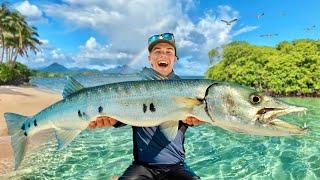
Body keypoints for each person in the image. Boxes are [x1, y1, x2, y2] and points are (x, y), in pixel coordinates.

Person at [89, 33, 205, 180]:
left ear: (175, 59)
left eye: (169, 52)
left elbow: (202, 114)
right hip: (142, 166)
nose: (163, 55)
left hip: (176, 166)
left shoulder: (189, 92)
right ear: (150, 59)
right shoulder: (134, 92)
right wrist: (110, 120)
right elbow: (120, 115)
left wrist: (204, 117)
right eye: (157, 51)